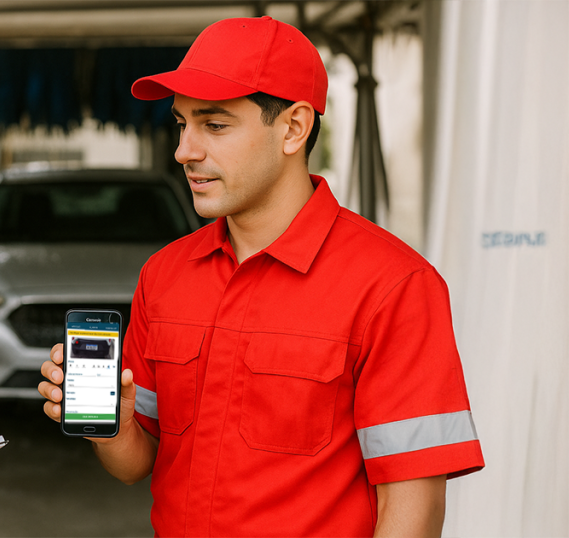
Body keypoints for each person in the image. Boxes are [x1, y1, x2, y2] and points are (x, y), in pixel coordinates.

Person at [38, 16, 484, 537]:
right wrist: (110, 426)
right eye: (182, 124)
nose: (184, 151)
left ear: (293, 128)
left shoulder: (394, 286)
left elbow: (414, 511)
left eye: (215, 125)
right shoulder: (165, 274)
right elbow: (137, 463)